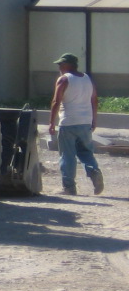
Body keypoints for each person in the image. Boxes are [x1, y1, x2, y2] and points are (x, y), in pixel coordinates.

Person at [48, 52, 103, 196]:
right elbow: (94, 100)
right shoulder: (87, 79)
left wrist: (52, 122)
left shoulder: (64, 79)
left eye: (61, 64)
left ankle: (69, 187)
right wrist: (94, 119)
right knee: (86, 152)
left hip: (68, 123)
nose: (59, 67)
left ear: (69, 65)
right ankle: (94, 171)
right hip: (85, 122)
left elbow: (56, 101)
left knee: (67, 155)